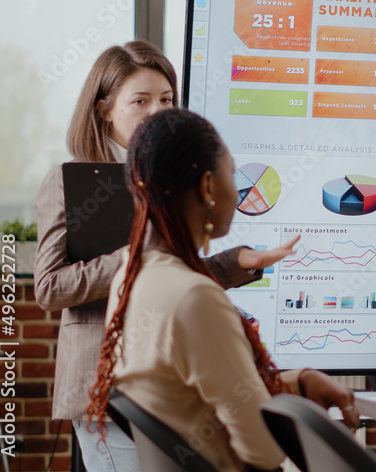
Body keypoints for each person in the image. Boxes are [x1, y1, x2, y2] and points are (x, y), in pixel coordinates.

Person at [33, 42, 293, 470]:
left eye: (167, 100)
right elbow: (48, 287)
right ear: (104, 110)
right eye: (141, 101)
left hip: (160, 374)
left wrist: (233, 263)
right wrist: (134, 253)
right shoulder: (69, 181)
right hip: (100, 381)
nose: (157, 111)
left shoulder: (165, 181)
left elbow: (165, 278)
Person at [85, 108, 359, 471]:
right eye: (233, 173)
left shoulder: (132, 278)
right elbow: (263, 450)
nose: (239, 187)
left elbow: (202, 400)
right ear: (208, 187)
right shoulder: (193, 297)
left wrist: (301, 383)